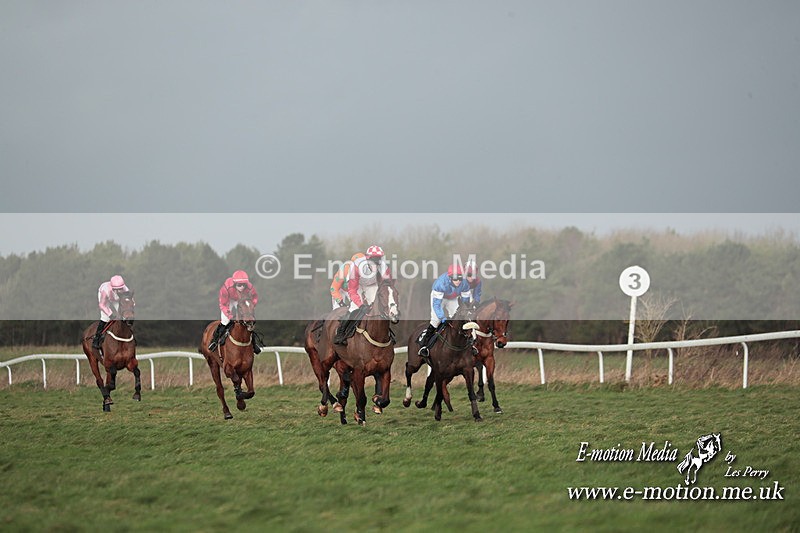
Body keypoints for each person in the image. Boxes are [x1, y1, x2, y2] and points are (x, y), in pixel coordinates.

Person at [333, 245, 391, 344]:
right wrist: (360, 305)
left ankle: (385, 333)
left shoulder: (383, 266)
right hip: (354, 286)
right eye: (374, 259)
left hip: (369, 285)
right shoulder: (355, 267)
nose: (376, 262)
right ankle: (341, 333)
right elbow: (351, 290)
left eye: (378, 259)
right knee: (354, 308)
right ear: (367, 259)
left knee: (377, 305)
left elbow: (387, 284)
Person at [417, 264, 471, 357]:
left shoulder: (465, 284)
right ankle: (424, 346)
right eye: (455, 279)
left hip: (453, 298)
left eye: (460, 278)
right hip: (439, 299)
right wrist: (442, 317)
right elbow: (437, 305)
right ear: (450, 277)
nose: (458, 281)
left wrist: (465, 311)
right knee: (436, 320)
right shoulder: (440, 284)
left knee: (461, 318)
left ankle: (468, 344)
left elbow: (465, 302)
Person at [207, 270, 262, 354]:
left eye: (244, 285)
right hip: (228, 301)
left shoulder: (250, 287)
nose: (242, 287)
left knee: (248, 321)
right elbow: (223, 304)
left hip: (241, 300)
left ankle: (254, 344)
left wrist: (251, 307)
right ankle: (214, 341)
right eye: (239, 285)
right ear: (234, 283)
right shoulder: (226, 288)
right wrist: (229, 315)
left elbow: (254, 297)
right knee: (225, 321)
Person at [92, 275, 132, 349]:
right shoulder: (105, 291)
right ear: (113, 288)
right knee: (105, 317)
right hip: (105, 299)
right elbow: (102, 305)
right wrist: (110, 314)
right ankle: (96, 338)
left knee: (123, 315)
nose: (119, 291)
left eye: (120, 289)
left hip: (116, 299)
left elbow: (130, 300)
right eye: (117, 289)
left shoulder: (125, 289)